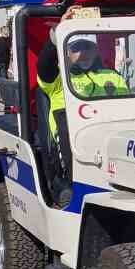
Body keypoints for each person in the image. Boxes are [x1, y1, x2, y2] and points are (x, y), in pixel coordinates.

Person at [37, 29, 128, 204]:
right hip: (72, 143)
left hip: (109, 139)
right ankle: (69, 186)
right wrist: (55, 37)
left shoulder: (112, 76)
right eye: (77, 48)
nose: (84, 53)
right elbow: (44, 66)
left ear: (96, 50)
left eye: (88, 47)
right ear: (67, 52)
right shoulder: (58, 78)